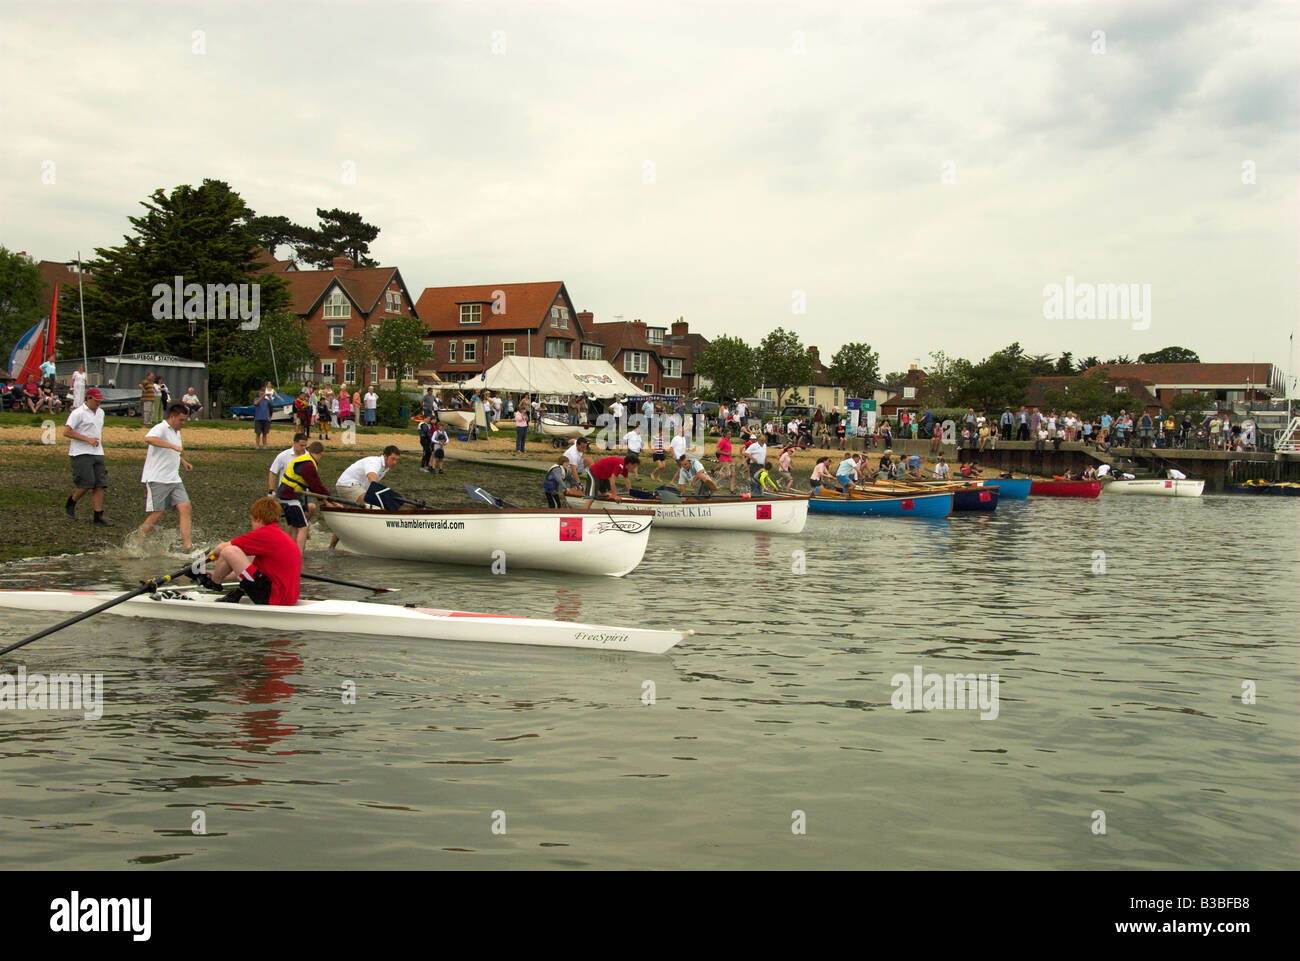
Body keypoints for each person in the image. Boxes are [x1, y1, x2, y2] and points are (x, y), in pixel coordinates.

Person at [196, 497, 302, 605]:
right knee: (237, 558)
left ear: (259, 519)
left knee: (230, 551)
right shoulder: (280, 536)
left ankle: (214, 582)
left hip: (274, 598)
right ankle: (223, 584)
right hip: (288, 598)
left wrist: (209, 557)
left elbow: (221, 548)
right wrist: (218, 575)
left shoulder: (264, 534)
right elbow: (245, 572)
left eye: (252, 520)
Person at [136, 404, 195, 552]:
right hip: (157, 478)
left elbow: (172, 452)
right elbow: (148, 439)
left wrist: (183, 462)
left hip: (174, 478)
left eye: (184, 420)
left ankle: (188, 546)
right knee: (158, 513)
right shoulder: (161, 428)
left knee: (186, 507)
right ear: (172, 417)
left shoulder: (177, 432)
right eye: (181, 420)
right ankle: (137, 543)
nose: (183, 423)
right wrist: (172, 447)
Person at [63, 387, 110, 525]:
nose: (98, 404)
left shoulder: (101, 413)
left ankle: (98, 515)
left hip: (98, 451)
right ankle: (72, 501)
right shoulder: (78, 413)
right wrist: (87, 439)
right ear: (88, 398)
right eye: (96, 401)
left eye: (100, 401)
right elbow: (67, 432)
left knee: (100, 484)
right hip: (80, 452)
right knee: (86, 483)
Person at [276, 441, 332, 552]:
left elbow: (315, 486)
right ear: (321, 453)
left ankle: (289, 552)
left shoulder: (305, 459)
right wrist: (328, 500)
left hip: (286, 494)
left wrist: (326, 500)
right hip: (289, 496)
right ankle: (298, 556)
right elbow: (316, 486)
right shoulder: (308, 465)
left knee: (294, 526)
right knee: (304, 526)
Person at [335, 446, 401, 506]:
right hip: (348, 485)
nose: (395, 462)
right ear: (385, 456)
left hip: (357, 486)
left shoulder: (386, 467)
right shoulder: (375, 462)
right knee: (371, 505)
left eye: (397, 460)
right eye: (393, 459)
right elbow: (371, 476)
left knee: (370, 505)